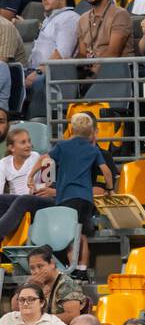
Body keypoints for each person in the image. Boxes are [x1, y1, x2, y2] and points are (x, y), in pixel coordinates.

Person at [32, 112, 112, 276]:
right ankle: (82, 269)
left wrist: (30, 175)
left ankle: (72, 267)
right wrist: (110, 188)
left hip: (68, 198)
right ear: (91, 132)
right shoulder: (92, 150)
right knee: (81, 233)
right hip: (85, 199)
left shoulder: (62, 146)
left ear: (71, 129)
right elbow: (106, 171)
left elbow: (44, 159)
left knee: (69, 235)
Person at [71, 0, 132, 72]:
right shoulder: (83, 18)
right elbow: (82, 53)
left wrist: (91, 74)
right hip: (90, 72)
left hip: (116, 72)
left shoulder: (120, 14)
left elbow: (113, 53)